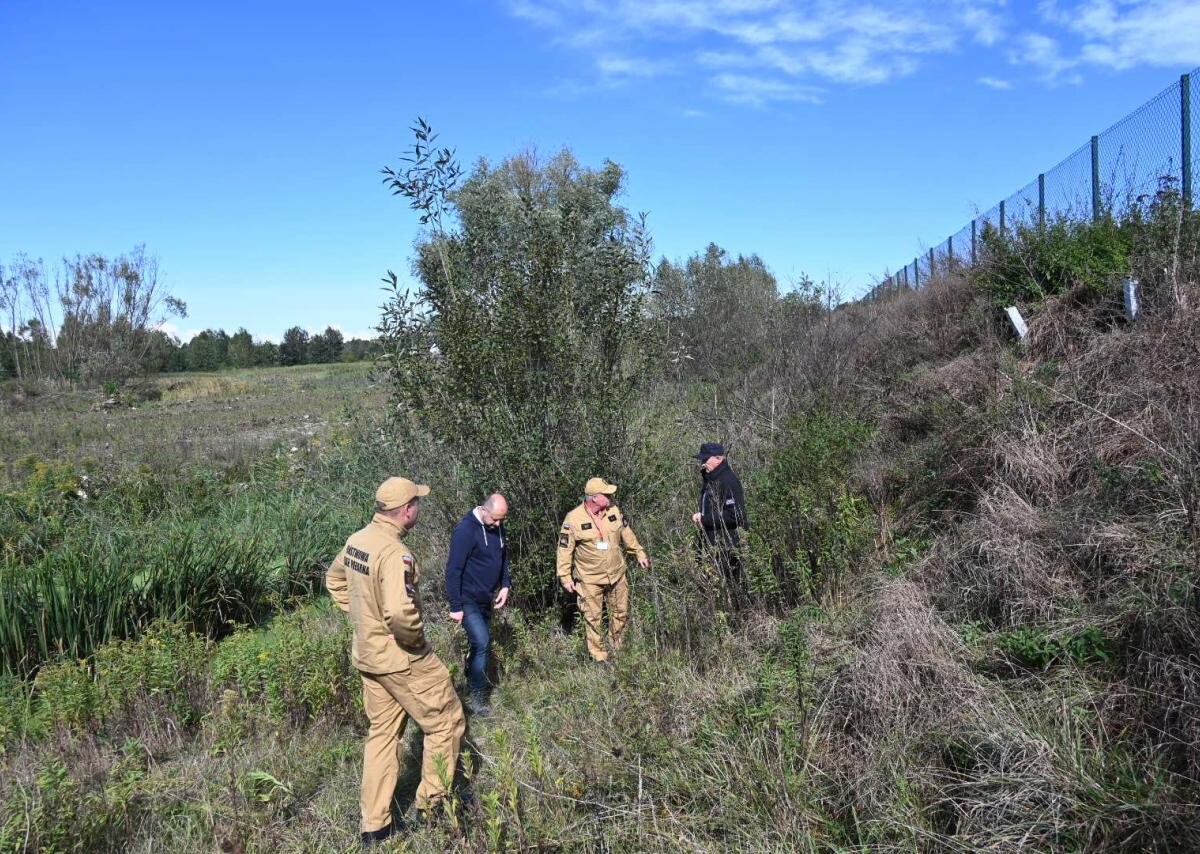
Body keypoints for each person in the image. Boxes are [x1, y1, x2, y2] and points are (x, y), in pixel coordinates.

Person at [325, 476, 466, 847]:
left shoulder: (357, 540)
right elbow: (401, 613)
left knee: (383, 736)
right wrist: (415, 643)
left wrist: (363, 622)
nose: (418, 507)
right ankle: (432, 807)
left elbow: (334, 580)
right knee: (445, 723)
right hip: (402, 660)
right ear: (406, 511)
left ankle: (375, 826)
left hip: (368, 658)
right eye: (417, 503)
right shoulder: (393, 553)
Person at [556, 477, 649, 663]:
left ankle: (617, 647)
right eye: (606, 494)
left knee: (621, 612)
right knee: (593, 619)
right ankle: (599, 657)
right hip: (589, 579)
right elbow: (564, 550)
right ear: (594, 498)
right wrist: (565, 577)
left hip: (617, 574)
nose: (610, 496)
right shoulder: (573, 519)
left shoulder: (613, 511)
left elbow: (626, 533)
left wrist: (639, 552)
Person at [445, 493, 511, 717]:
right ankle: (478, 698)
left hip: (486, 598)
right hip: (467, 598)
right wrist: (455, 606)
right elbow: (453, 570)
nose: (498, 524)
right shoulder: (466, 531)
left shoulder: (497, 527)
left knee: (478, 645)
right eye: (495, 519)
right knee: (482, 642)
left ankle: (471, 675)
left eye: (502, 520)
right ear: (484, 510)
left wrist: (505, 584)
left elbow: (503, 558)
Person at [691, 442, 748, 586]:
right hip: (714, 548)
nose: (702, 463)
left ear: (718, 458)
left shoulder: (727, 480)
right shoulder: (711, 480)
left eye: (705, 459)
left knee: (731, 588)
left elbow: (735, 515)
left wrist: (704, 520)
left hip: (728, 549)